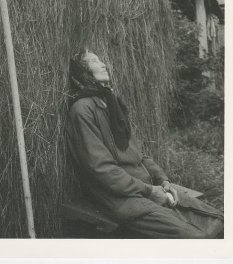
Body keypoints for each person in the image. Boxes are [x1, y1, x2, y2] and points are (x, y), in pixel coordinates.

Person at [67, 49, 223, 239]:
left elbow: (138, 154)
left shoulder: (110, 103)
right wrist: (149, 191)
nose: (103, 64)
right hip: (121, 199)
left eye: (100, 60)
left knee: (218, 220)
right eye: (94, 61)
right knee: (194, 238)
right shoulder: (82, 110)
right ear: (83, 71)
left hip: (145, 189)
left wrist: (162, 180)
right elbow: (101, 169)